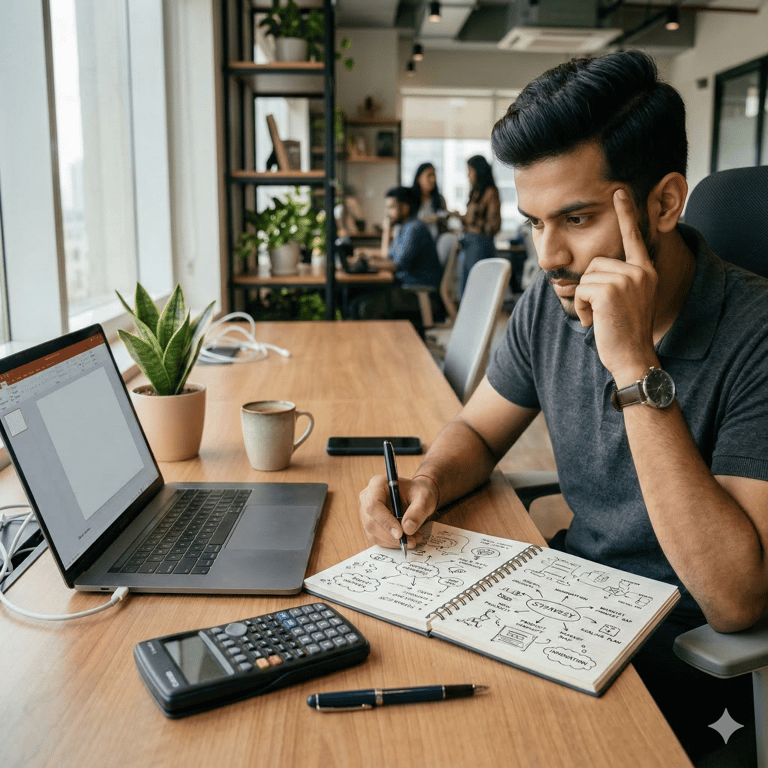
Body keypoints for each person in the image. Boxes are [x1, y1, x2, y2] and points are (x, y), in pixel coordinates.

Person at [358, 50, 768, 764]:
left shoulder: (756, 335)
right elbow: (479, 434)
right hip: (572, 614)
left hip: (687, 663)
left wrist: (633, 363)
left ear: (665, 203)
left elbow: (736, 600)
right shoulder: (549, 306)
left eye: (575, 218)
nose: (547, 256)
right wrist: (428, 479)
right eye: (534, 222)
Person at [349, 186, 442, 327]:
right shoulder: (404, 228)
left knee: (365, 307)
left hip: (418, 293)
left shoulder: (414, 228)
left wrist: (368, 263)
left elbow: (397, 265)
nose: (387, 213)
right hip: (406, 288)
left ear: (405, 208)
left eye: (391, 207)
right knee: (355, 302)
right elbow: (389, 256)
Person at [448, 155, 502, 298]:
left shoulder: (490, 193)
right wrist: (457, 216)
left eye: (470, 171)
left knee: (476, 290)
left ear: (479, 171)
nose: (468, 175)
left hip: (480, 245)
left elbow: (493, 226)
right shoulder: (475, 193)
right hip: (468, 243)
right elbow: (471, 219)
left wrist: (472, 227)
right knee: (464, 289)